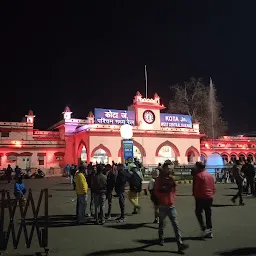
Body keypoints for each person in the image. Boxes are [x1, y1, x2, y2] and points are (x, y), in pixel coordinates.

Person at [154, 162, 189, 254]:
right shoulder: (159, 180)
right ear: (164, 168)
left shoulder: (172, 179)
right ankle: (161, 238)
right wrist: (161, 199)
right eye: (168, 168)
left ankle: (180, 245)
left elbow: (174, 190)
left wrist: (172, 198)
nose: (170, 170)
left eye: (171, 168)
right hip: (162, 206)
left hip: (171, 206)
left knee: (176, 225)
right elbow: (156, 192)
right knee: (162, 224)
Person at [193, 162, 215, 238]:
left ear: (199, 168)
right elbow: (213, 186)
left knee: (198, 212)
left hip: (201, 197)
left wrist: (195, 195)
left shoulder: (198, 176)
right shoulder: (210, 175)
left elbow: (197, 187)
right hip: (209, 197)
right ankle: (209, 230)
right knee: (208, 214)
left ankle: (204, 228)